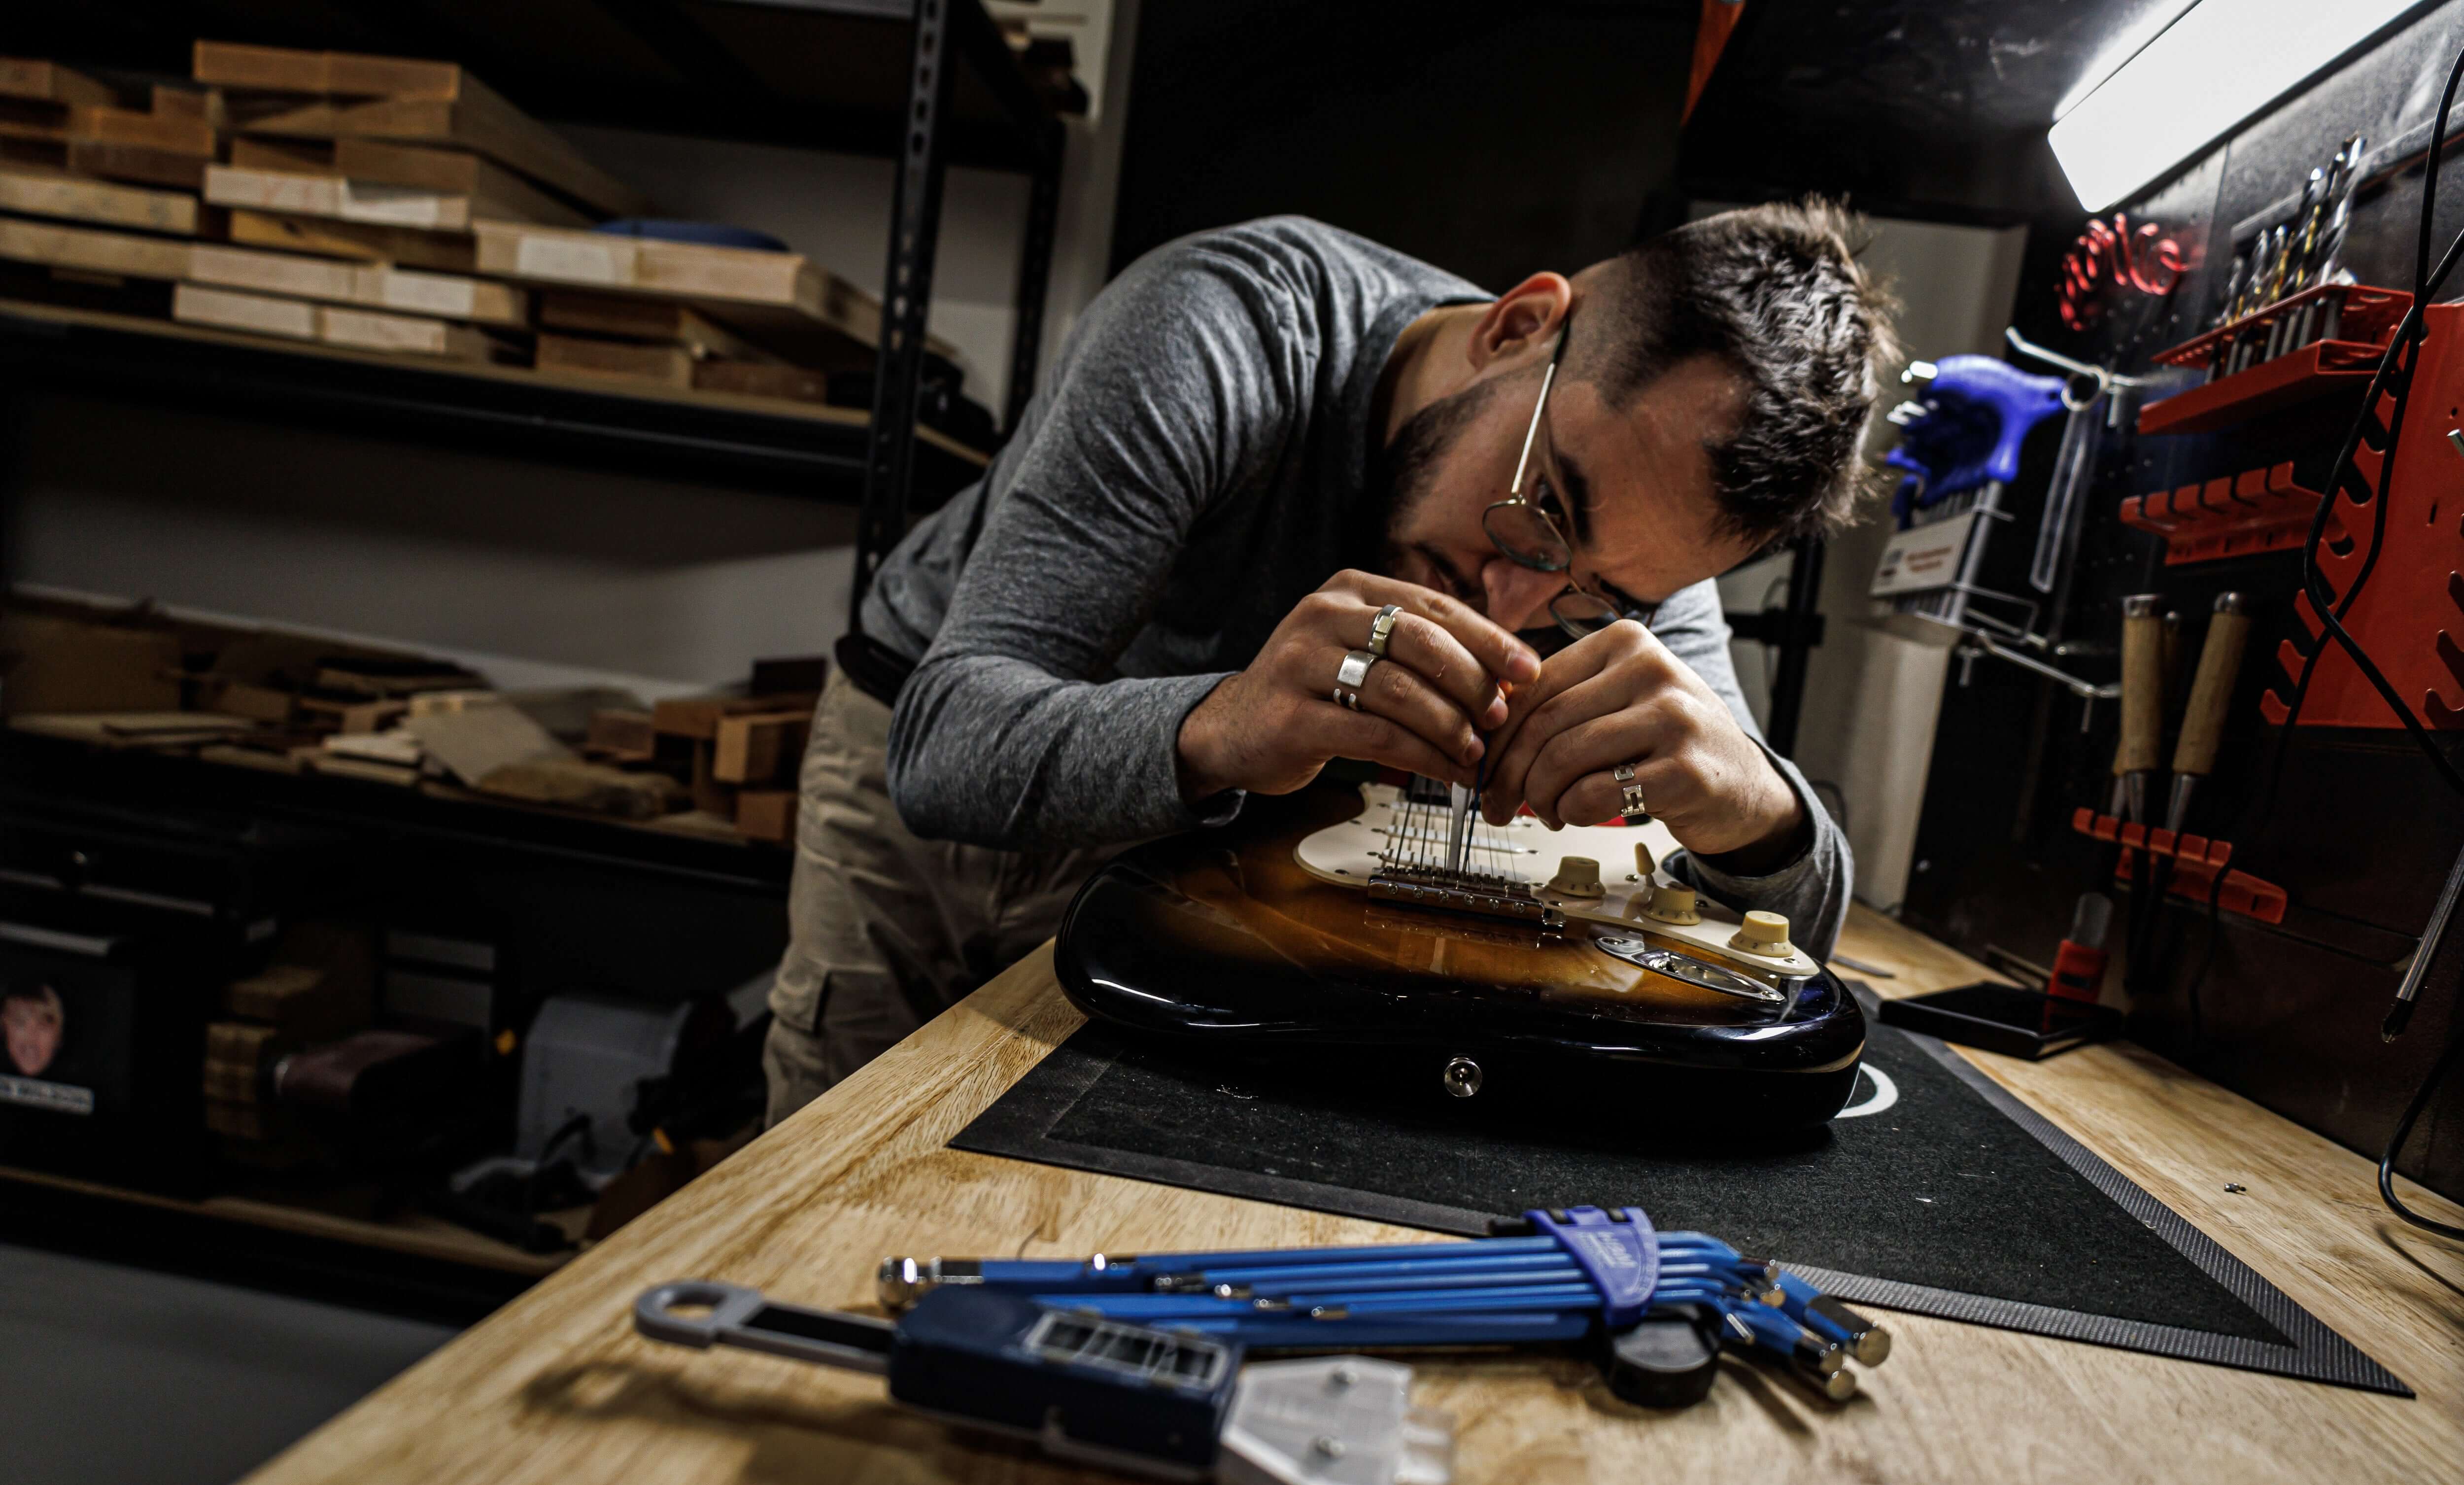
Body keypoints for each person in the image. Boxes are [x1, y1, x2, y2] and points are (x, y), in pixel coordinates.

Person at [767, 203, 1897, 1125]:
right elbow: (946, 743)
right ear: (1517, 326)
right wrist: (1226, 724)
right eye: (1542, 507)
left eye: (1603, 592)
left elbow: (1790, 927)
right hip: (927, 747)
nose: (1521, 602)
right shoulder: (1224, 326)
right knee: (825, 1175)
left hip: (1171, 833)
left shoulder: (1637, 515)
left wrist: (1757, 808)